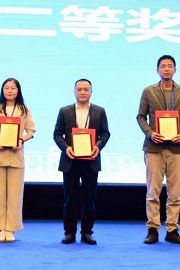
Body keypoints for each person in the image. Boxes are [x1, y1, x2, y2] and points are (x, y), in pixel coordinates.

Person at [136, 55, 180, 245]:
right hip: (154, 147)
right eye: (163, 66)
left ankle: (172, 229)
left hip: (176, 148)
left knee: (175, 193)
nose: (166, 69)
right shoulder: (148, 91)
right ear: (157, 70)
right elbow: (141, 117)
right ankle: (152, 229)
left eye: (170, 66)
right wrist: (151, 133)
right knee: (153, 191)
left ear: (175, 69)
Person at [54, 79, 111, 245]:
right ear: (74, 92)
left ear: (91, 92)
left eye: (86, 89)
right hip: (70, 160)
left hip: (91, 160)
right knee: (69, 199)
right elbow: (57, 134)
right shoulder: (64, 111)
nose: (83, 92)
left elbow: (105, 133)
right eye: (79, 89)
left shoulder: (100, 111)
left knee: (89, 199)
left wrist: (98, 146)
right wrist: (66, 148)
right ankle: (69, 233)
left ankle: (87, 233)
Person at [0, 78, 36, 242]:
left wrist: (21, 140)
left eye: (13, 88)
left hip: (16, 157)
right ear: (2, 90)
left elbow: (31, 131)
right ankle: (0, 229)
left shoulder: (24, 110)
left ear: (18, 90)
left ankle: (11, 229)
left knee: (15, 197)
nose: (10, 91)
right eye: (6, 88)